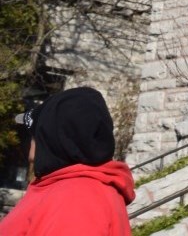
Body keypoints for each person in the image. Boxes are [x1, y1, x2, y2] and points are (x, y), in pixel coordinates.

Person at [0, 87, 135, 236]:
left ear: (51, 136)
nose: (30, 141)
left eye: (34, 133)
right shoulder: (68, 188)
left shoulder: (76, 198)